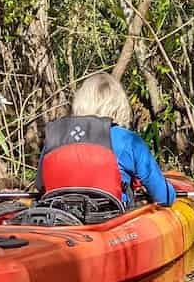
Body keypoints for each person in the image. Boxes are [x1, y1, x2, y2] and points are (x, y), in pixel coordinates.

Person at [36, 73, 177, 207]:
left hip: (60, 217)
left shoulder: (56, 136)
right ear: (119, 106)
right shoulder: (128, 140)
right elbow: (164, 197)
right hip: (110, 219)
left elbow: (40, 186)